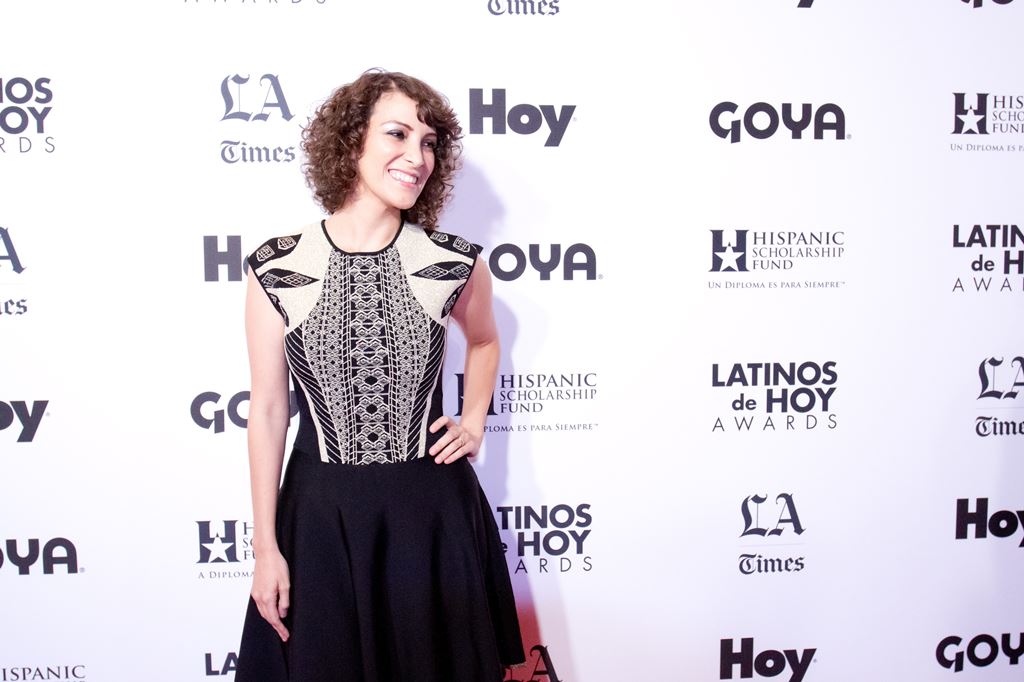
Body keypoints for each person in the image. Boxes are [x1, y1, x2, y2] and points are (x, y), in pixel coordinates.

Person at [234, 70, 525, 681]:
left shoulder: (453, 261)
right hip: (321, 519)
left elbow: (486, 340)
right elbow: (267, 412)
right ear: (349, 143)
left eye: (428, 143)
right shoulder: (276, 264)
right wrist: (266, 549)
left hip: (431, 515)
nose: (417, 156)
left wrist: (473, 421)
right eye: (397, 134)